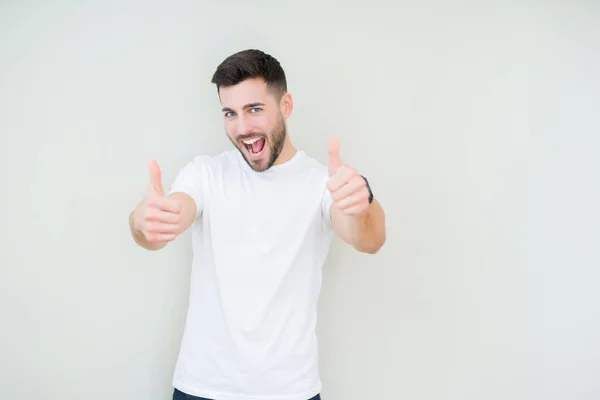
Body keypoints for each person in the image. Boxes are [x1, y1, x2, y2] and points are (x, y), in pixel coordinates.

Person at [128, 49, 386, 400]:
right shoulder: (206, 174)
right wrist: (144, 221)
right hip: (202, 388)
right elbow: (166, 221)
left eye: (254, 109)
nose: (242, 128)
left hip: (290, 391)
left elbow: (368, 239)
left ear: (286, 106)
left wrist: (362, 204)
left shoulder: (320, 183)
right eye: (230, 113)